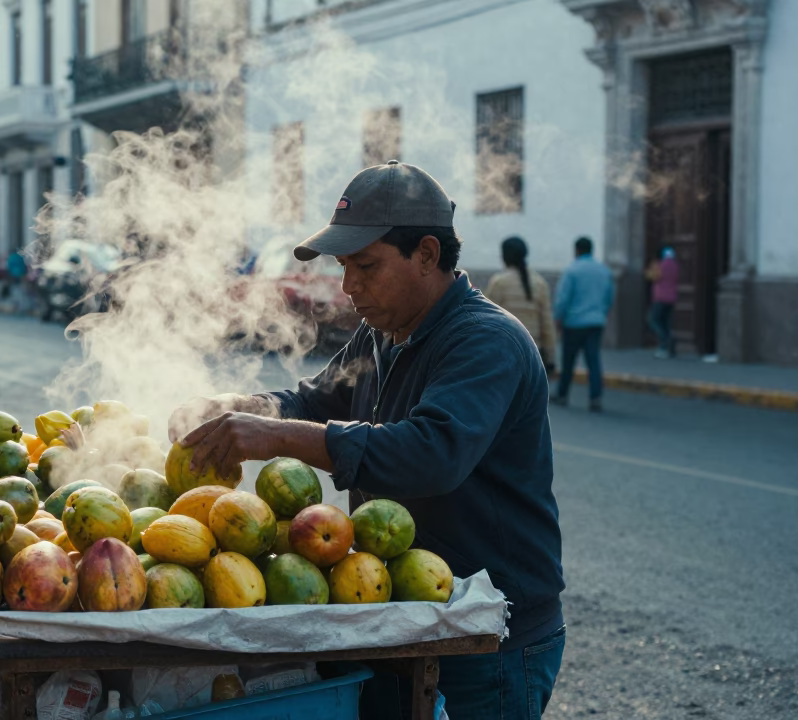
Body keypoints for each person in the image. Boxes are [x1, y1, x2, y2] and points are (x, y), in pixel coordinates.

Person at [168, 161, 564, 719]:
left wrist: (274, 435)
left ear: (427, 254)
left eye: (366, 266)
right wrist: (246, 407)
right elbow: (313, 400)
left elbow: (431, 454)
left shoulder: (486, 341)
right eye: (343, 267)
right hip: (401, 614)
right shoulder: (381, 332)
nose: (349, 286)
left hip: (486, 634)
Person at [552, 237, 614, 412]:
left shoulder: (571, 271)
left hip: (574, 323)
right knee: (593, 360)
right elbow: (609, 297)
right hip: (596, 322)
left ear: (577, 250)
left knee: (568, 361)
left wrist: (558, 318)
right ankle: (596, 397)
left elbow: (563, 299)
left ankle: (563, 395)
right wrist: (602, 313)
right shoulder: (604, 271)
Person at [486, 236, 557, 373]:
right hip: (534, 353)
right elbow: (547, 325)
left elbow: (487, 322)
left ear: (504, 256)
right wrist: (550, 358)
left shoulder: (499, 283)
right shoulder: (539, 283)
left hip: (505, 353)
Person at [645, 247, 680, 358]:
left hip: (660, 297)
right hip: (672, 298)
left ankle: (665, 342)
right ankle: (670, 340)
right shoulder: (675, 266)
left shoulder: (659, 265)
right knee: (666, 322)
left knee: (653, 320)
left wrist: (649, 269)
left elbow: (652, 276)